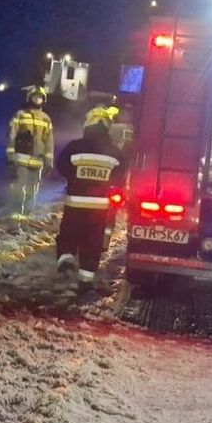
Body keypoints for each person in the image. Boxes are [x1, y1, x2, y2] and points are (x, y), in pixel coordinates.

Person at [54, 104, 125, 292]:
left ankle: (66, 258)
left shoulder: (75, 146)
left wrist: (75, 178)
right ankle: (85, 281)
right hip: (99, 209)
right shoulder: (114, 152)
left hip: (75, 203)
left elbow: (61, 166)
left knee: (68, 234)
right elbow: (120, 175)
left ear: (88, 125)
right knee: (92, 242)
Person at [6, 85, 54, 217]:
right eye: (35, 97)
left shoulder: (46, 119)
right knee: (18, 190)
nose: (37, 100)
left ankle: (27, 216)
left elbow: (49, 142)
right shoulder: (20, 115)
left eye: (40, 98)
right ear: (29, 98)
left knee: (32, 192)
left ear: (44, 100)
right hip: (21, 159)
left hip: (37, 162)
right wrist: (10, 156)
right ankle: (15, 217)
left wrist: (49, 161)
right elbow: (11, 135)